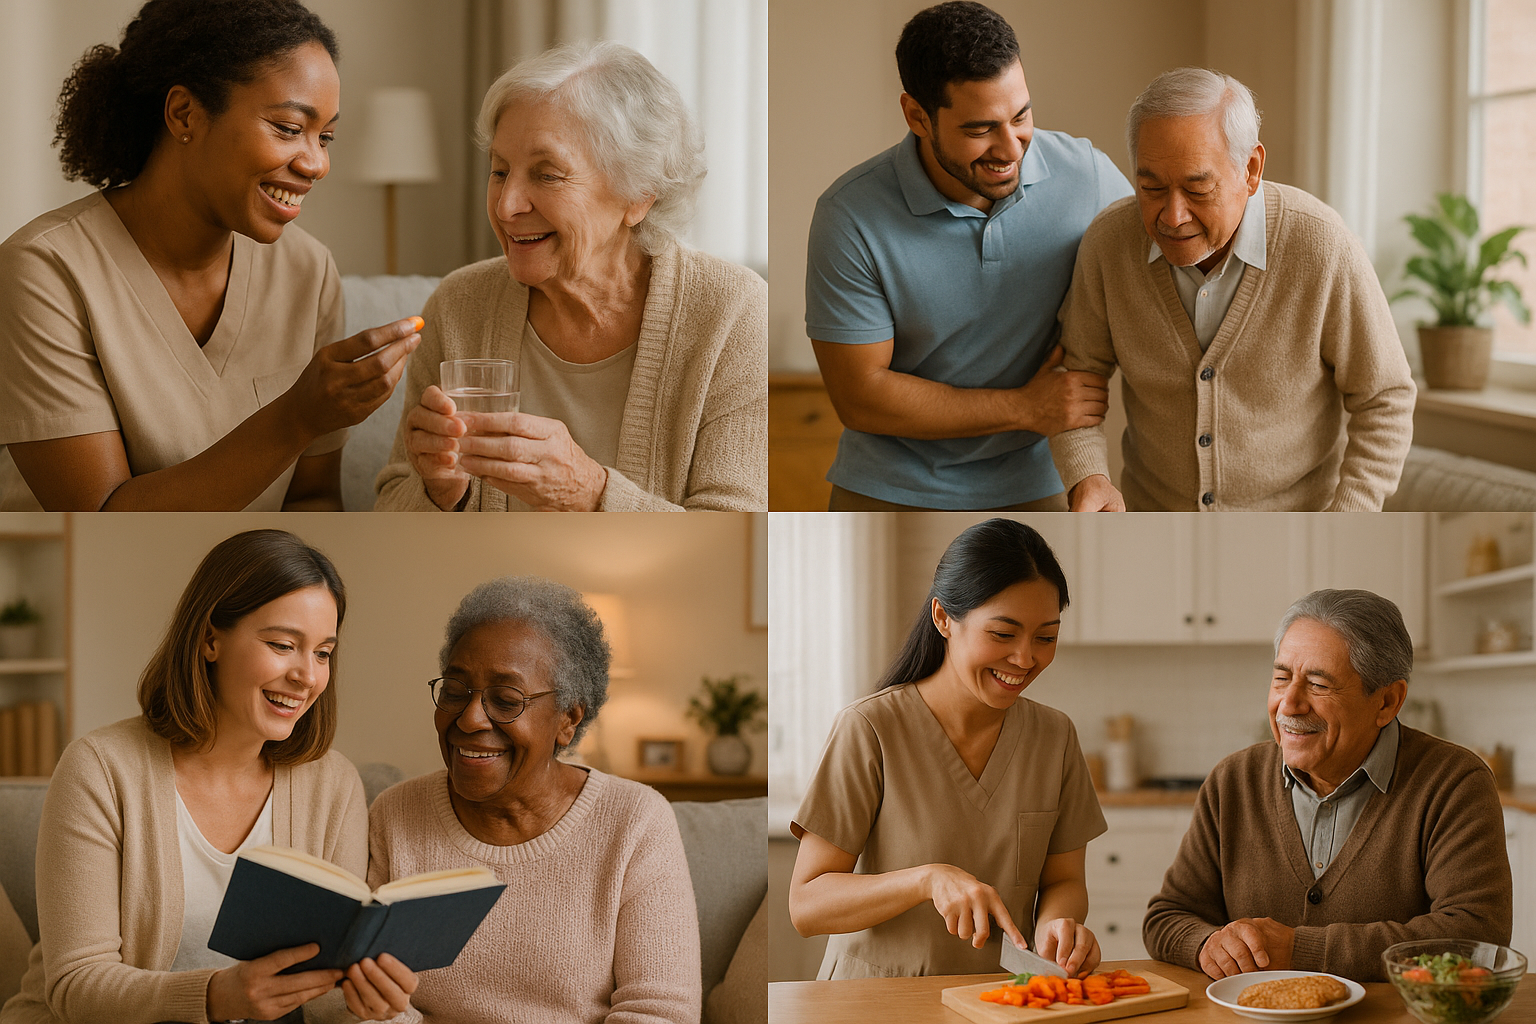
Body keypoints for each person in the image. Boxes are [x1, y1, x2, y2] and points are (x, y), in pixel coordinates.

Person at [0, 0, 421, 513]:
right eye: (289, 128)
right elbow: (98, 525)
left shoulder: (307, 272)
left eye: (325, 136)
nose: (316, 163)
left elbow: (312, 498)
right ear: (185, 113)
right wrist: (297, 417)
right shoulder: (44, 271)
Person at [0, 530, 414, 1023]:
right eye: (283, 645)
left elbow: (323, 990)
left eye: (323, 653)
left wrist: (375, 1005)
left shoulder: (333, 786)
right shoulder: (100, 770)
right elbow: (75, 986)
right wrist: (217, 995)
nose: (308, 676)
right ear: (209, 639)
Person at [376, 41, 766, 512]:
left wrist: (591, 493)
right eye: (500, 171)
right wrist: (441, 490)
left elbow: (737, 541)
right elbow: (392, 500)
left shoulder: (732, 313)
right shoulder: (460, 304)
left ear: (638, 194)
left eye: (547, 175)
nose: (506, 206)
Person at [804, 1, 1131, 512]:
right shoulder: (849, 216)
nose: (1011, 148)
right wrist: (1026, 407)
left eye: (1020, 116)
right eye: (980, 129)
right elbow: (860, 396)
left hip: (1041, 486)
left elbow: (1159, 277)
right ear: (917, 116)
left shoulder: (1087, 176)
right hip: (889, 491)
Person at [1050, 67, 1415, 512]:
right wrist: (1087, 476)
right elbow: (1076, 379)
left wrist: (1350, 515)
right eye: (1152, 188)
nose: (1173, 215)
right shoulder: (1109, 244)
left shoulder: (1320, 245)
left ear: (1251, 169)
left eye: (1198, 188)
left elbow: (1385, 397)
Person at [364, 577, 700, 1021]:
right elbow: (358, 993)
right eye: (454, 690)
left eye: (506, 700)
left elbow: (660, 1013)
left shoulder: (635, 821)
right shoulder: (394, 813)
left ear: (568, 720)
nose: (469, 718)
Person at [788, 519, 1106, 978]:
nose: (1025, 658)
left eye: (1046, 637)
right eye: (1002, 633)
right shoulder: (870, 729)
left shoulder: (1055, 737)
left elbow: (1064, 880)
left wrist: (1059, 925)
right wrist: (926, 879)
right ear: (943, 618)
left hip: (1000, 1000)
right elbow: (806, 905)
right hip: (874, 1003)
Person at [1143, 589, 1512, 982]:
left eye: (1318, 685)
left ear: (1387, 701)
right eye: (1281, 678)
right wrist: (1207, 944)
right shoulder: (1232, 781)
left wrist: (1302, 950)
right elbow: (1167, 918)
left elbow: (1477, 936)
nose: (1289, 704)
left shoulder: (1454, 783)